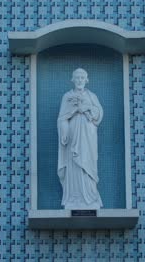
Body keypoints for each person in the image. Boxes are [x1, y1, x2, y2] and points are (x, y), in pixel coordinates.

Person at [57, 68, 103, 209]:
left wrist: (87, 107)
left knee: (87, 163)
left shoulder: (92, 96)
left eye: (82, 78)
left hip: (88, 136)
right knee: (73, 164)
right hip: (72, 135)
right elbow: (62, 118)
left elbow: (99, 114)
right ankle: (73, 197)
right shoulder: (67, 96)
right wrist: (64, 132)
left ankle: (90, 197)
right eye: (77, 78)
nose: (79, 80)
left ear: (86, 80)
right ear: (73, 79)